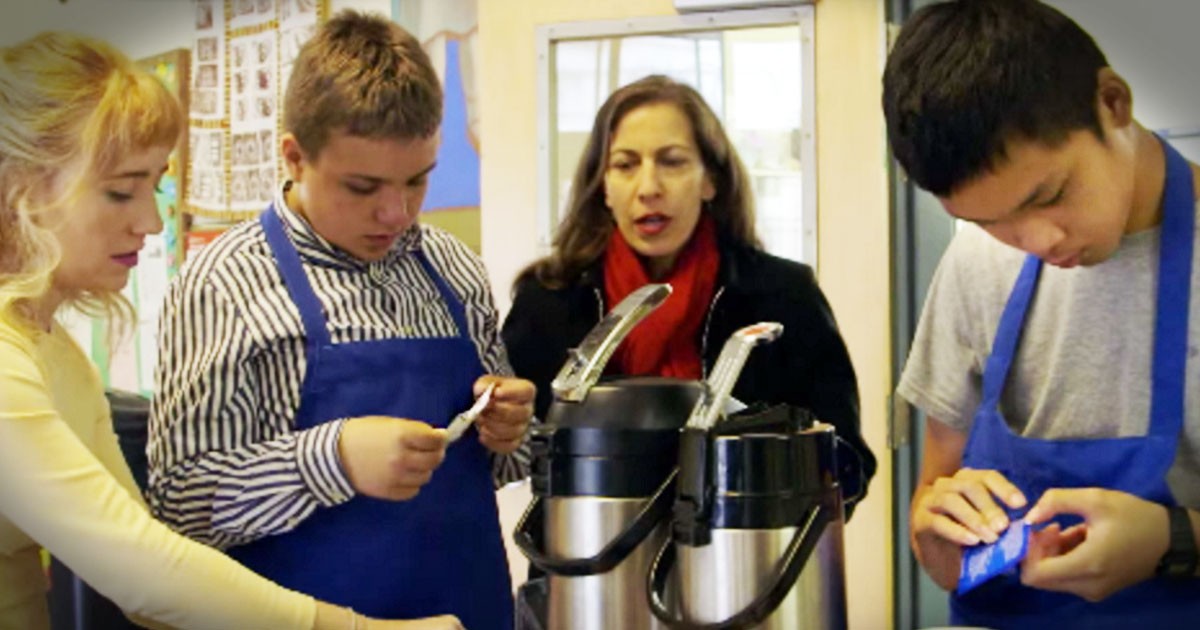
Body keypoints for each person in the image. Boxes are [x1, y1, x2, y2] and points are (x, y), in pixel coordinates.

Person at [0, 31, 458, 630]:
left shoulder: (56, 355)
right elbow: (141, 568)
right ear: (20, 188)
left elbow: (150, 584)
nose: (150, 221)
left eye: (154, 187)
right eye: (120, 192)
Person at [147, 10, 532, 630]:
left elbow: (504, 467)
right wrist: (333, 458)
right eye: (362, 186)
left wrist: (509, 431)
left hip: (466, 611)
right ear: (294, 158)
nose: (396, 212)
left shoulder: (455, 269)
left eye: (417, 181)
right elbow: (178, 507)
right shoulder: (221, 284)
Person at [884, 0, 1200, 627]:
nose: (1037, 242)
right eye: (988, 221)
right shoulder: (976, 263)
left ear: (1112, 103)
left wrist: (1175, 539)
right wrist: (936, 533)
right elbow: (933, 511)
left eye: (1049, 195)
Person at [501, 74, 876, 508]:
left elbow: (846, 466)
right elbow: (506, 453)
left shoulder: (783, 296)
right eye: (625, 165)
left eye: (672, 162)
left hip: (744, 548)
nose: (648, 188)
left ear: (710, 179)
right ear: (603, 186)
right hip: (586, 549)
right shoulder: (548, 300)